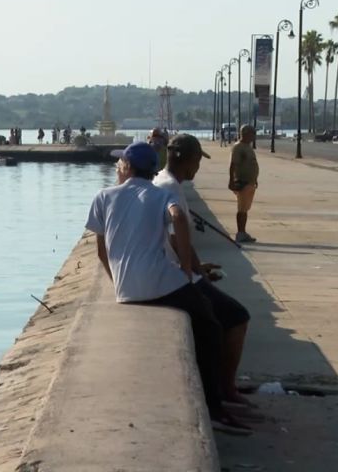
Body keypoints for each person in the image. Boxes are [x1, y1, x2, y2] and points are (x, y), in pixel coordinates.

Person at [87, 142, 247, 431]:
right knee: (210, 325)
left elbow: (102, 251)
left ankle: (215, 397)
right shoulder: (160, 194)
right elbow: (179, 217)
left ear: (127, 167)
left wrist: (119, 284)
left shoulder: (103, 196)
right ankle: (213, 407)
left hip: (126, 289)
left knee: (207, 313)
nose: (117, 168)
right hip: (160, 282)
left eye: (119, 164)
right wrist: (187, 268)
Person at [154, 134, 253, 407]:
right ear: (186, 160)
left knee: (220, 318)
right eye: (197, 160)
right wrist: (191, 272)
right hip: (177, 276)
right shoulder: (170, 189)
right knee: (237, 317)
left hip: (176, 268)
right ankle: (225, 389)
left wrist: (199, 266)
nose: (198, 166)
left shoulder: (163, 182)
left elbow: (178, 236)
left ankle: (222, 384)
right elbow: (176, 235)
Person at [228, 125, 259, 243]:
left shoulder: (247, 147)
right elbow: (233, 165)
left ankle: (243, 232)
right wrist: (231, 180)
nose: (254, 136)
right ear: (245, 133)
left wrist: (254, 179)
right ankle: (240, 233)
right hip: (243, 182)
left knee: (245, 209)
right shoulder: (238, 147)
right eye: (252, 133)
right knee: (241, 209)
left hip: (250, 182)